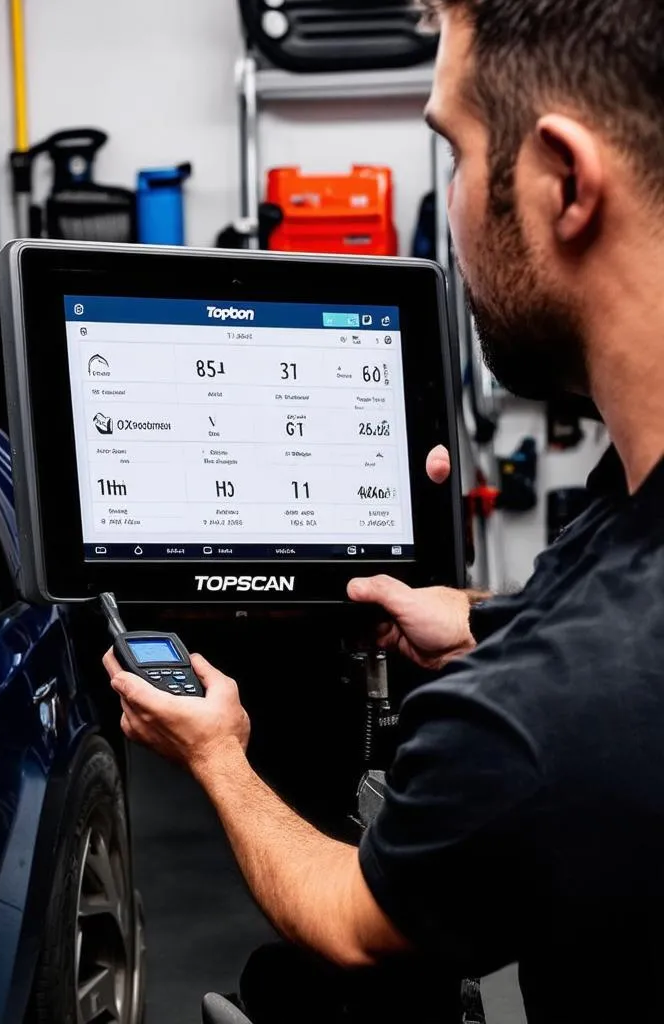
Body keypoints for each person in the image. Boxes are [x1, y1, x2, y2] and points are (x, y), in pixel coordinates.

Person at [103, 1, 664, 1020]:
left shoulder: (557, 709)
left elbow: (356, 922)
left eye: (452, 151)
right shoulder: (626, 513)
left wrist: (216, 753)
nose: (449, 205)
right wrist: (485, 620)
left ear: (564, 182)